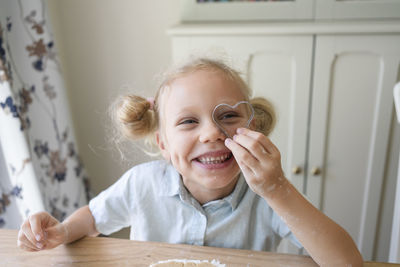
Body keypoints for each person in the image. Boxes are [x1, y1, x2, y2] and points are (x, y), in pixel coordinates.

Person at [17, 57, 363, 266]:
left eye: (227, 116)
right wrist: (62, 231)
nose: (212, 132)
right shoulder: (143, 184)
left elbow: (346, 262)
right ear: (163, 144)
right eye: (188, 121)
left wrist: (278, 189)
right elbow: (93, 219)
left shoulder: (267, 197)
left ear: (252, 128)